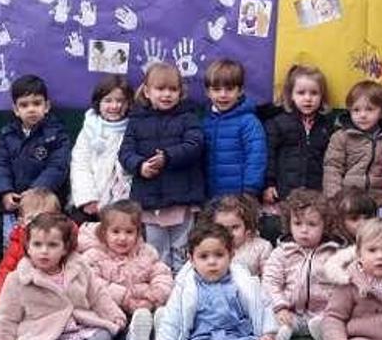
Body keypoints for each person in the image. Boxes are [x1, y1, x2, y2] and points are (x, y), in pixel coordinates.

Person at [143, 221, 324, 340]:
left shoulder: (242, 280)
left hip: (239, 337)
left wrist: (268, 334)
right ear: (191, 259)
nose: (212, 262)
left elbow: (262, 305)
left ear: (231, 255)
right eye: (204, 257)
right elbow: (172, 319)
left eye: (219, 255)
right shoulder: (186, 287)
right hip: (202, 338)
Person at [0, 214, 126, 340]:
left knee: (106, 334)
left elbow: (98, 295)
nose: (44, 251)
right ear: (28, 247)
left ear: (65, 249)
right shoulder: (17, 279)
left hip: (79, 328)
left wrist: (113, 314)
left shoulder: (79, 267)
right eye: (37, 244)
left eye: (52, 245)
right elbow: (5, 317)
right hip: (43, 333)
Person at [119, 62, 205, 271]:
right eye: (160, 89)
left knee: (181, 249)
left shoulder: (188, 117)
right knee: (157, 251)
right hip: (149, 200)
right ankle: (160, 290)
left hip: (181, 197)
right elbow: (125, 153)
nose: (167, 94)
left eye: (173, 89)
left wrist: (168, 157)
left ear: (180, 93)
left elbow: (195, 145)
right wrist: (140, 166)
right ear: (147, 92)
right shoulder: (136, 120)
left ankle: (181, 290)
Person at [77, 200, 173, 340]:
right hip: (111, 311)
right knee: (115, 329)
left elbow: (161, 274)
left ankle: (158, 336)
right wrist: (126, 298)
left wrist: (156, 293)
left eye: (129, 232)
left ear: (138, 233)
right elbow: (94, 285)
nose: (122, 238)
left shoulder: (146, 252)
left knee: (155, 314)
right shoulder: (93, 255)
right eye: (116, 232)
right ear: (104, 232)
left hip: (144, 306)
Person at [0, 75, 72, 248]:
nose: (31, 109)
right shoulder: (7, 135)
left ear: (47, 106)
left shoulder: (56, 134)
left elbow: (57, 167)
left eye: (37, 103)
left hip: (45, 202)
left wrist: (35, 192)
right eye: (24, 105)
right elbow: (0, 166)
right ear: (15, 109)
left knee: (43, 238)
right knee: (9, 238)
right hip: (14, 202)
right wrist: (5, 193)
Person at [261, 188, 343, 340]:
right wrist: (280, 306)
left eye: (312, 224)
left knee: (335, 326)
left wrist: (334, 310)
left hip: (322, 313)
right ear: (288, 224)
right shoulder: (282, 252)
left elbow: (341, 287)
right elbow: (270, 282)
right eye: (297, 223)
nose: (304, 230)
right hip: (289, 311)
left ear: (324, 226)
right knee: (275, 322)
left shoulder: (334, 254)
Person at [263, 64, 334, 205]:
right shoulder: (278, 123)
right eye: (301, 93)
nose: (308, 98)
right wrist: (268, 184)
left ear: (322, 96)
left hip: (315, 193)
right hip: (285, 193)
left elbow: (330, 162)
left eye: (314, 93)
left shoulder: (326, 127)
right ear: (291, 95)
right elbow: (269, 155)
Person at [0, 189, 64, 316]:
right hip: (23, 297)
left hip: (55, 298)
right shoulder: (17, 244)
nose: (40, 225)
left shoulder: (64, 242)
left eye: (46, 218)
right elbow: (4, 275)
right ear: (21, 222)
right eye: (32, 219)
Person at [69, 75, 133, 221]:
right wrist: (88, 199)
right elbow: (80, 164)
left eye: (120, 101)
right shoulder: (89, 129)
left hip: (123, 203)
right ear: (98, 103)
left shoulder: (133, 129)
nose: (114, 106)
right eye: (108, 100)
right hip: (92, 201)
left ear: (128, 104)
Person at [323, 80, 382, 204]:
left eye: (369, 109)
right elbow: (332, 168)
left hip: (379, 201)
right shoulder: (341, 136)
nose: (362, 115)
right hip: (348, 201)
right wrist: (335, 198)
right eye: (356, 110)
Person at [202, 59, 266, 199]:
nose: (223, 95)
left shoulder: (249, 122)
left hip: (240, 198)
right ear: (208, 92)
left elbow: (256, 157)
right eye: (217, 89)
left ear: (240, 91)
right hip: (210, 197)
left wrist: (250, 190)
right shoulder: (204, 121)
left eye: (229, 89)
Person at [202, 194, 272, 277]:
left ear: (247, 227)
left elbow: (269, 278)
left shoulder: (261, 248)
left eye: (235, 227)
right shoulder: (206, 247)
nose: (228, 233)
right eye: (221, 227)